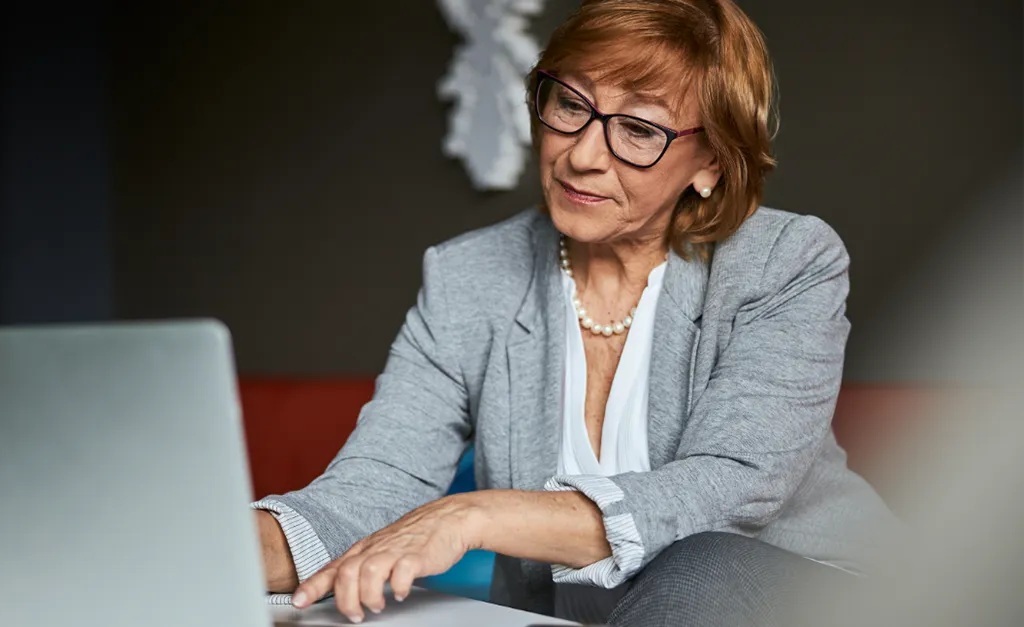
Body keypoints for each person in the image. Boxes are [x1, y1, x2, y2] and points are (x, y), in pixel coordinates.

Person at [252, 0, 895, 624]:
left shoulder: (784, 261)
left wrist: (474, 516)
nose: (583, 154)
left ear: (711, 164)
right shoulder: (469, 277)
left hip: (823, 598)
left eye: (639, 130)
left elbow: (731, 488)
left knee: (704, 562)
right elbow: (376, 484)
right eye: (570, 105)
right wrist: (230, 545)